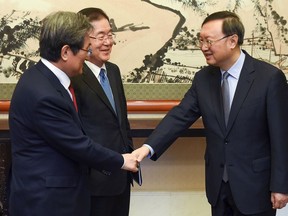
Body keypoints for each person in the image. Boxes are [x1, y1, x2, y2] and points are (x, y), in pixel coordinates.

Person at [133, 11, 288, 216]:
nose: (203, 47)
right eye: (201, 40)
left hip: (255, 187)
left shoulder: (269, 78)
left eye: (209, 41)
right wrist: (146, 149)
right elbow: (180, 116)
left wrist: (281, 185)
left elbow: (281, 137)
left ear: (232, 41)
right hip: (218, 186)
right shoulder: (203, 79)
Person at [8, 11, 138, 216]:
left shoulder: (43, 79)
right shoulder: (43, 93)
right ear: (66, 51)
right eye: (86, 50)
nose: (87, 56)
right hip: (48, 202)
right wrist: (122, 160)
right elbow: (77, 144)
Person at [72, 7, 135, 216]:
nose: (108, 42)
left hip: (122, 176)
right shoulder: (74, 77)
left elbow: (121, 121)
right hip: (93, 181)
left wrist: (130, 156)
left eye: (110, 35)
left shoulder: (114, 71)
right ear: (84, 39)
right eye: (100, 36)